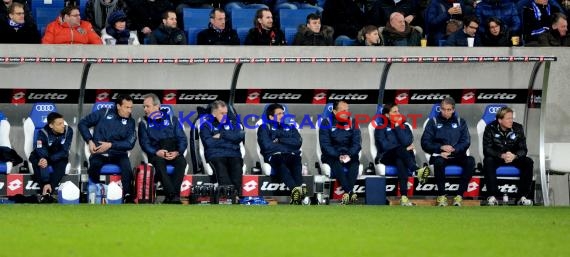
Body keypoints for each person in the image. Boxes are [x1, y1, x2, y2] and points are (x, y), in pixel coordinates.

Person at [78, 94, 136, 203]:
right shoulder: (103, 113)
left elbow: (129, 143)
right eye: (126, 107)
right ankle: (95, 192)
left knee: (126, 166)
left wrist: (110, 145)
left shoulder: (131, 122)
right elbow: (82, 124)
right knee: (94, 165)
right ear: (118, 106)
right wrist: (89, 141)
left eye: (131, 107)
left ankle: (127, 195)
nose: (129, 110)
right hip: (99, 152)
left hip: (118, 153)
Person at [421, 97, 475, 207]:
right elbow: (425, 143)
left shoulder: (461, 122)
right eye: (443, 109)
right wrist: (441, 148)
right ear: (440, 109)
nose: (446, 112)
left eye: (449, 109)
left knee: (470, 161)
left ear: (453, 110)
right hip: (440, 155)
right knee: (439, 162)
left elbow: (466, 141)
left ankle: (459, 196)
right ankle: (441, 196)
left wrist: (454, 150)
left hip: (457, 155)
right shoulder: (433, 122)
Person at [374, 103, 430, 206]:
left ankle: (404, 197)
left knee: (400, 160)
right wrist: (402, 147)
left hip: (401, 156)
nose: (398, 113)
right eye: (395, 112)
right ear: (387, 115)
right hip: (386, 156)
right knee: (400, 150)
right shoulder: (380, 128)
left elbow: (407, 141)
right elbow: (384, 146)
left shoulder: (404, 126)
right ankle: (416, 170)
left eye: (398, 111)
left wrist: (397, 127)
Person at [138, 94, 187, 204]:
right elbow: (144, 143)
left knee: (182, 162)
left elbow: (182, 139)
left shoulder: (172, 119)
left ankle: (171, 197)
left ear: (157, 107)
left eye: (147, 106)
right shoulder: (144, 123)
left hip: (173, 152)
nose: (145, 109)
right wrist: (156, 152)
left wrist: (178, 152)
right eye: (144, 107)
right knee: (159, 162)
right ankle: (173, 196)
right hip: (156, 154)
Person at [483, 106, 534, 206]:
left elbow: (524, 149)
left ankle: (522, 197)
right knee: (488, 161)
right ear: (500, 120)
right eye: (508, 118)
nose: (511, 121)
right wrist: (501, 155)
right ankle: (493, 196)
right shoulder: (490, 128)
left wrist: (514, 156)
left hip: (513, 157)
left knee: (528, 161)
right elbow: (487, 149)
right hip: (497, 157)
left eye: (512, 118)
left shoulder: (518, 128)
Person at [257, 103, 305, 205]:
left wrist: (279, 140)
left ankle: (297, 194)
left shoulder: (291, 127)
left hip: (290, 154)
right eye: (279, 114)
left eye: (282, 113)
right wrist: (286, 144)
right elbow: (266, 146)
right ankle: (297, 191)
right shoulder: (264, 127)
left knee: (296, 160)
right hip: (274, 156)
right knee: (280, 162)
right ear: (271, 117)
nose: (282, 116)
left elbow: (298, 143)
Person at [319, 100, 361, 205]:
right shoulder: (326, 123)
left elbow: (357, 143)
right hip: (332, 155)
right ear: (334, 111)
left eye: (347, 110)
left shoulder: (353, 122)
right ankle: (349, 192)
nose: (346, 113)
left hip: (349, 154)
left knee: (355, 162)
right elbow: (325, 145)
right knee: (336, 162)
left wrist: (349, 154)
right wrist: (338, 155)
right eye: (343, 110)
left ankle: (347, 196)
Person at [199, 100, 244, 193]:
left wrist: (222, 135)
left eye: (226, 113)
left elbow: (239, 136)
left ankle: (236, 195)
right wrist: (230, 140)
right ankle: (228, 195)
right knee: (221, 168)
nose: (225, 116)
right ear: (214, 114)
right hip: (216, 155)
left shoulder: (234, 123)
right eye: (222, 113)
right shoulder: (206, 125)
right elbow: (209, 143)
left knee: (237, 167)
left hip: (233, 154)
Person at [28, 112, 73, 203]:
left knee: (61, 164)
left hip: (59, 156)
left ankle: (46, 192)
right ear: (51, 125)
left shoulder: (69, 131)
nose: (63, 126)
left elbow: (64, 150)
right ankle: (46, 189)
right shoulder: (42, 132)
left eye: (63, 123)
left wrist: (47, 159)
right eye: (59, 124)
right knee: (36, 161)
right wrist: (43, 159)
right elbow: (40, 149)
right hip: (43, 155)